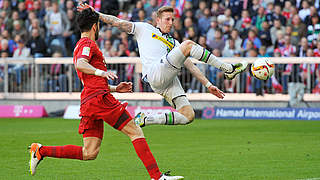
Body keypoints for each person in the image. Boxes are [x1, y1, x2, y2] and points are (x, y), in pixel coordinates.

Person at [29, 8, 183, 180]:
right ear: (95, 26)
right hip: (99, 99)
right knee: (135, 131)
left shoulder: (78, 46)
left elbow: (89, 81)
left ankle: (40, 150)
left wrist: (115, 88)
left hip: (90, 99)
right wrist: (102, 73)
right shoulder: (87, 44)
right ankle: (156, 176)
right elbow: (81, 64)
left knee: (90, 152)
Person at [79, 4, 247, 127]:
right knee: (188, 45)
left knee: (189, 115)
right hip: (156, 72)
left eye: (172, 19)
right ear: (157, 20)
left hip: (167, 80)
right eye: (167, 19)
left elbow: (190, 65)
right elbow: (118, 22)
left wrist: (208, 85)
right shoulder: (145, 29)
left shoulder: (174, 43)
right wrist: (97, 13)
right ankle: (228, 69)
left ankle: (148, 118)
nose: (171, 22)